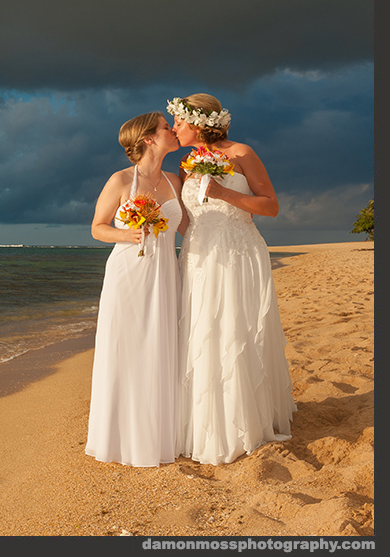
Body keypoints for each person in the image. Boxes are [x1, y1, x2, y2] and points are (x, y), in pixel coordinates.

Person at [169, 93, 297, 465]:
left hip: (239, 251)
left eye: (178, 121)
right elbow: (189, 218)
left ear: (198, 123)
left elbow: (270, 205)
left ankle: (247, 423)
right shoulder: (185, 162)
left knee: (236, 330)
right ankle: (206, 422)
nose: (174, 128)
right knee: (202, 330)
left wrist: (223, 192)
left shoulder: (242, 154)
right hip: (198, 254)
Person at [85, 112, 186, 467]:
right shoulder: (121, 180)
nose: (172, 130)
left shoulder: (175, 180)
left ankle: (159, 434)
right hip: (128, 274)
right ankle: (121, 439)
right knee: (125, 349)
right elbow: (97, 228)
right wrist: (126, 234)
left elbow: (190, 228)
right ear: (148, 138)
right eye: (165, 127)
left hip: (164, 275)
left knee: (160, 348)